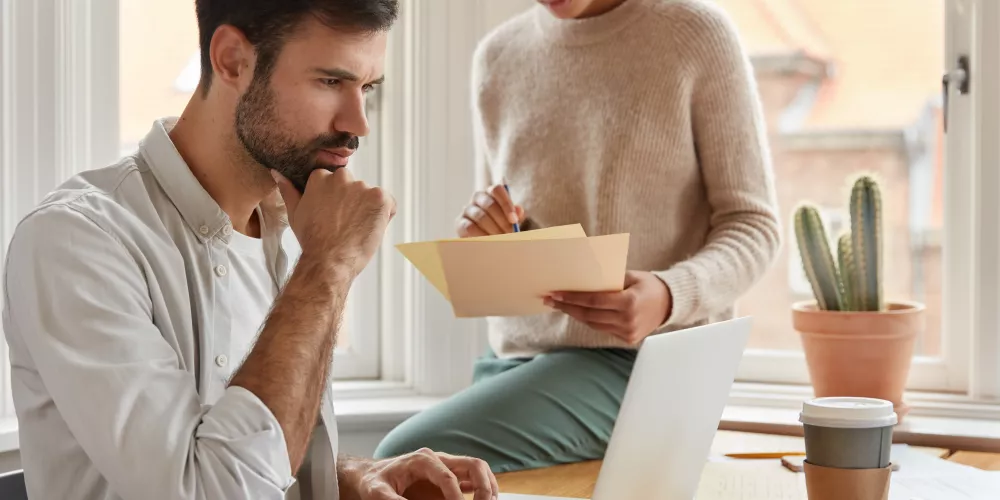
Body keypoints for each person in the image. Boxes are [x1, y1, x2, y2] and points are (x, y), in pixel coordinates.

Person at [0, 1, 499, 499]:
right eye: (330, 82)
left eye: (367, 88)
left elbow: (249, 453)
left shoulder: (291, 226)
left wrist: (347, 477)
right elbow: (209, 489)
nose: (358, 122)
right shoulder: (77, 243)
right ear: (233, 60)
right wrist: (327, 267)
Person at [374, 0, 782, 473]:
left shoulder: (695, 35)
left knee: (403, 463)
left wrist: (670, 295)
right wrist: (489, 231)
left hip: (649, 366)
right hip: (513, 361)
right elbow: (512, 217)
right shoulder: (497, 56)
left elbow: (753, 224)